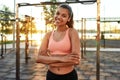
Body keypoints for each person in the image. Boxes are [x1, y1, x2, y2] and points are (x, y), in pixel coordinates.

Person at [36, 4, 81, 80]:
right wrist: (63, 59)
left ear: (69, 18)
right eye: (57, 13)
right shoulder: (48, 35)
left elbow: (76, 60)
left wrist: (49, 60)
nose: (59, 17)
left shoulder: (72, 32)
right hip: (51, 76)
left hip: (69, 77)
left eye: (63, 15)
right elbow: (38, 58)